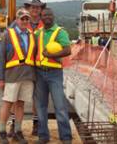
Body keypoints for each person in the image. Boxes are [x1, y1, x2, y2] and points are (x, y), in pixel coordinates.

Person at [8, 0, 46, 137]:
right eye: (33, 7)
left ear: (41, 10)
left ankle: (36, 124)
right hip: (23, 67)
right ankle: (14, 125)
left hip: (40, 66)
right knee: (17, 97)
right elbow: (8, 40)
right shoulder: (18, 23)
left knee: (38, 97)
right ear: (29, 9)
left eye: (38, 7)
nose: (35, 9)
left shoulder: (45, 23)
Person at [0, 8, 35, 144]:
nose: (25, 21)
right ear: (17, 20)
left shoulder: (32, 35)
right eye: (22, 19)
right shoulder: (8, 35)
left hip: (27, 75)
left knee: (20, 104)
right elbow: (0, 57)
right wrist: (0, 78)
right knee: (7, 103)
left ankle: (18, 132)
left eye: (27, 19)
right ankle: (2, 132)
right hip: (12, 75)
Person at [34, 8, 72, 144]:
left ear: (53, 16)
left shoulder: (60, 32)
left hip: (54, 74)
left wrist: (51, 55)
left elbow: (67, 50)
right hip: (39, 73)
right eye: (44, 15)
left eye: (49, 14)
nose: (47, 17)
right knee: (41, 107)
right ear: (41, 18)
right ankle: (43, 136)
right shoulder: (38, 33)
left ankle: (66, 137)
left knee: (60, 106)